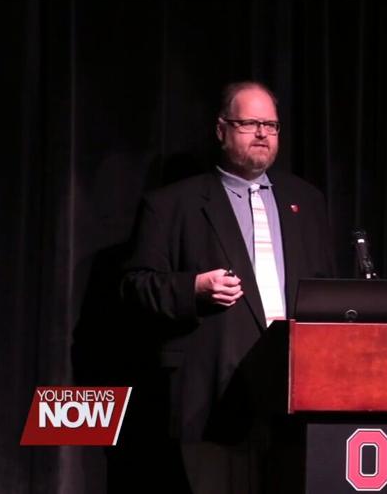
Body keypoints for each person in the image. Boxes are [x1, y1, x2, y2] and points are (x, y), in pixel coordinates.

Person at [120, 81, 335, 493]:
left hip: (297, 393)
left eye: (270, 125)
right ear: (221, 130)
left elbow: (324, 287)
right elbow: (135, 286)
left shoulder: (306, 201)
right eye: (249, 123)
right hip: (212, 397)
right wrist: (192, 288)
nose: (262, 134)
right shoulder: (172, 204)